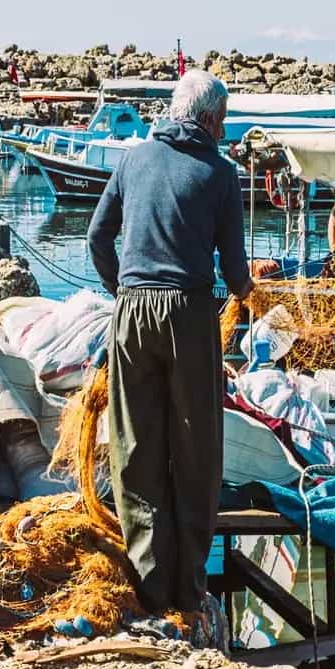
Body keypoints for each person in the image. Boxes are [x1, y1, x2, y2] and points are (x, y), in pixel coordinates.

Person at [87, 69, 253, 627]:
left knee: (136, 447)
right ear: (209, 119)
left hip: (131, 310)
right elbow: (233, 270)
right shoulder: (221, 173)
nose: (224, 130)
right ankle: (189, 586)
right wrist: (244, 294)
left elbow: (96, 237)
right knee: (195, 449)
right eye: (223, 120)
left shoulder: (131, 160)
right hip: (186, 310)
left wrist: (123, 289)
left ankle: (150, 585)